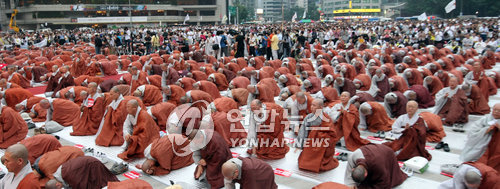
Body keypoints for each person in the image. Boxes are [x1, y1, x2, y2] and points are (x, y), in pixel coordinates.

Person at [297, 99, 339, 173]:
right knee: (304, 163)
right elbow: (303, 131)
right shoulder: (309, 117)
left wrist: (319, 134)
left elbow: (332, 133)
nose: (311, 107)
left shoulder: (327, 118)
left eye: (314, 105)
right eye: (311, 105)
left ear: (320, 107)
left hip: (323, 144)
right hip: (310, 142)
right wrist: (301, 144)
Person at [461, 103, 500, 172]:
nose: (496, 112)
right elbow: (473, 131)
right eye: (495, 110)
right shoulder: (485, 119)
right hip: (482, 144)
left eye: (499, 111)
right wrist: (486, 130)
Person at [44, 156, 118, 189]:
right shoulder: (59, 175)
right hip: (84, 165)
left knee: (103, 183)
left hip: (92, 164)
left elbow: (80, 185)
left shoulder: (67, 175)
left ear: (57, 184)